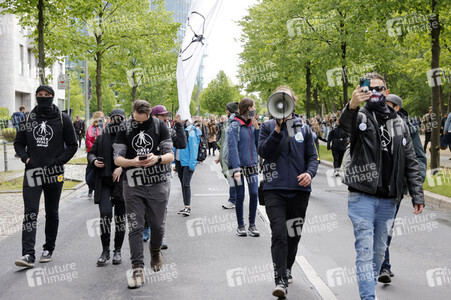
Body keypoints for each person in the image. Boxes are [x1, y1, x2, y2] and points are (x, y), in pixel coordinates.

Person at [340, 73, 424, 300]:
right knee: (365, 250)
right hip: (362, 196)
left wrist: (417, 194)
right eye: (371, 89)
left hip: (389, 199)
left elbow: (410, 161)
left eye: (380, 89)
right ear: (364, 92)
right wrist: (352, 106)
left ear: (387, 92)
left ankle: (369, 287)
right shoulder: (360, 116)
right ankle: (368, 297)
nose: (375, 92)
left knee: (378, 252)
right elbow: (345, 126)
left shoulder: (400, 123)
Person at [258, 86, 319, 298]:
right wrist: (277, 130)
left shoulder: (303, 128)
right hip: (274, 189)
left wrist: (310, 173)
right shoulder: (267, 127)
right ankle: (280, 280)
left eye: (287, 100)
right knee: (279, 234)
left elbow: (313, 157)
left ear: (293, 102)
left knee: (294, 235)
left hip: (299, 190)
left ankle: (288, 267)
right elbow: (264, 152)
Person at [13, 85, 78, 268]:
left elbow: (72, 145)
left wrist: (57, 162)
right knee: (30, 213)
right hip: (32, 172)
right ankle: (27, 254)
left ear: (52, 97)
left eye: (47, 95)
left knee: (52, 212)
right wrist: (26, 159)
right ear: (36, 97)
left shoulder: (62, 119)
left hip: (54, 173)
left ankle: (48, 248)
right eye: (40, 95)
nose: (43, 97)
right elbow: (18, 144)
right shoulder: (27, 118)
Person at [113, 100, 174, 289]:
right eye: (135, 120)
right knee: (135, 226)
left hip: (158, 182)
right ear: (132, 114)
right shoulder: (124, 127)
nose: (138, 123)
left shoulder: (160, 126)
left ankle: (155, 250)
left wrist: (157, 159)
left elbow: (170, 156)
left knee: (157, 225)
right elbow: (117, 159)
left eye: (142, 121)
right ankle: (137, 268)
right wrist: (132, 162)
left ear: (149, 115)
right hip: (133, 184)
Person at [378, 94, 427, 284]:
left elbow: (419, 160)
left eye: (388, 105)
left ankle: (383, 266)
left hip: (396, 188)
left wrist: (415, 186)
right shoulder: (377, 123)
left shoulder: (410, 129)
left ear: (396, 108)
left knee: (385, 227)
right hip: (376, 186)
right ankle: (382, 264)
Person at [142, 105, 187, 247]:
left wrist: (179, 125)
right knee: (145, 205)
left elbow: (181, 144)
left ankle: (159, 236)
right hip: (145, 173)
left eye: (166, 115)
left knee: (161, 206)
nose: (165, 118)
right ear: (154, 116)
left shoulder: (167, 130)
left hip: (163, 174)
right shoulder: (144, 130)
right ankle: (145, 226)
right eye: (162, 115)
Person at [88, 109, 127, 266]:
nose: (117, 120)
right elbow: (91, 153)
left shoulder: (127, 136)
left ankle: (117, 250)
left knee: (120, 218)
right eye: (114, 118)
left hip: (122, 182)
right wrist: (93, 161)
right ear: (109, 119)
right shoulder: (102, 135)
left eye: (120, 118)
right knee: (105, 215)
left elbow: (133, 157)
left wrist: (122, 167)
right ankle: (105, 250)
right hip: (104, 181)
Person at [228, 98, 260, 237]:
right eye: (253, 106)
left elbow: (259, 145)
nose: (255, 109)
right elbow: (232, 147)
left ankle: (252, 225)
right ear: (248, 108)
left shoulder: (253, 125)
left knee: (254, 193)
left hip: (252, 165)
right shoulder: (234, 126)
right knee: (240, 195)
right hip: (238, 166)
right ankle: (241, 225)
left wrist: (257, 128)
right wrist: (235, 169)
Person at [216, 102, 239, 209]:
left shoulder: (233, 121)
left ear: (229, 110)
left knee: (232, 176)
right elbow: (224, 141)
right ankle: (235, 199)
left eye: (227, 109)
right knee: (232, 176)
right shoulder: (229, 121)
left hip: (230, 154)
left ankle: (233, 200)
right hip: (227, 153)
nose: (225, 110)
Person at [86, 111, 104, 197]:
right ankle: (90, 187)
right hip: (92, 152)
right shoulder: (91, 128)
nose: (102, 119)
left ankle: (99, 187)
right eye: (101, 117)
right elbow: (88, 140)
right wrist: (94, 148)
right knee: (91, 169)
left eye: (103, 117)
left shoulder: (103, 128)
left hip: (101, 152)